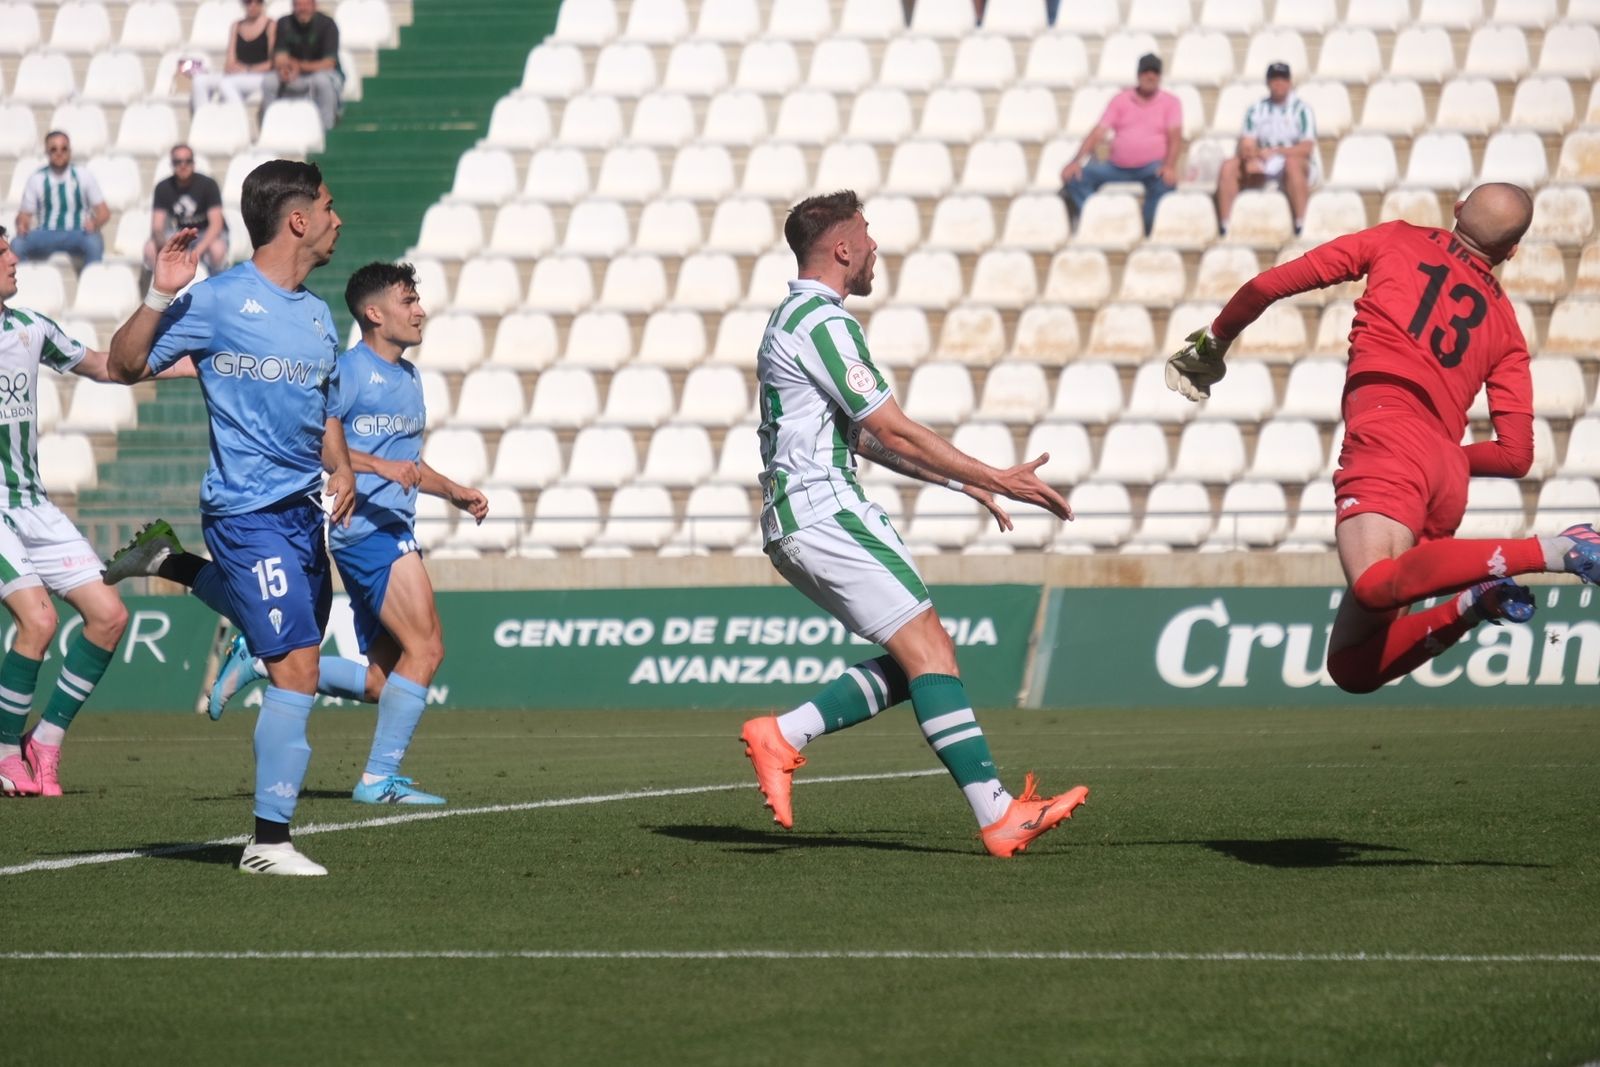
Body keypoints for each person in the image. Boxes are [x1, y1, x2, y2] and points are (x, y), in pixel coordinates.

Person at [739, 190, 1087, 859]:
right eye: (866, 236)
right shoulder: (823, 323)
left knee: (923, 658)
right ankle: (998, 814)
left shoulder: (794, 319)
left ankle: (783, 733)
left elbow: (868, 441)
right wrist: (997, 475)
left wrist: (962, 483)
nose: (875, 249)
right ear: (841, 247)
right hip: (826, 510)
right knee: (932, 653)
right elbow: (890, 425)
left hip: (799, 519)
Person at [1165, 183, 1600, 694]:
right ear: (1511, 251)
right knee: (1353, 668)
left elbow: (1266, 286)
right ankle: (1475, 602)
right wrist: (1446, 458)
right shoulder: (1507, 327)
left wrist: (1213, 342)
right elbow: (1515, 455)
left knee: (1373, 585)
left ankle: (1556, 549)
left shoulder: (1395, 239)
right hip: (1441, 472)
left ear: (1456, 209)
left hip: (1387, 432)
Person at [109, 262, 489, 807]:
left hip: (391, 526)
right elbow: (313, 440)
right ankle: (378, 779)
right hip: (365, 534)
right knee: (428, 648)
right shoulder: (351, 372)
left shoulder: (409, 378)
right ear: (375, 313)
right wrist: (373, 470)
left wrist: (452, 490)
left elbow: (404, 461)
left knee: (386, 680)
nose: (420, 309)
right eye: (409, 301)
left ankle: (263, 658)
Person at [106, 159, 355, 877]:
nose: (339, 219)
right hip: (246, 512)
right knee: (296, 670)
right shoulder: (216, 301)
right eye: (330, 207)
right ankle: (268, 843)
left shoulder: (314, 312)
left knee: (286, 644)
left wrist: (340, 467)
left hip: (302, 513)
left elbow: (325, 405)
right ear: (298, 219)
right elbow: (126, 366)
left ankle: (166, 563)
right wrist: (160, 291)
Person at [0, 227, 196, 798]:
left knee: (109, 616)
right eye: (1, 252)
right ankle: (7, 751)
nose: (14, 258)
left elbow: (110, 366)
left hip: (30, 503)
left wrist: (176, 359)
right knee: (38, 621)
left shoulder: (29, 328)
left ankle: (46, 743)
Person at [1059, 53, 1184, 236]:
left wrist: (1170, 166)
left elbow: (1175, 137)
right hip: (1116, 167)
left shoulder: (1171, 102)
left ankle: (1146, 229)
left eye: (1155, 72)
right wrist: (1076, 161)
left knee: (1165, 183)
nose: (1150, 76)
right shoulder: (1120, 100)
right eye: (1146, 72)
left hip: (1151, 168)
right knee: (1075, 178)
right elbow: (1098, 132)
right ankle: (1100, 221)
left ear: (1160, 76)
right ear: (1138, 75)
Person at [1216, 62, 1318, 237]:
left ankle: (1301, 224)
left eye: (1283, 79)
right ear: (1268, 82)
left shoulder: (1302, 110)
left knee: (1292, 164)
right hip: (1265, 161)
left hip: (1292, 160)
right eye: (1275, 79)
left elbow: (1306, 148)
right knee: (1229, 166)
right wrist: (1252, 156)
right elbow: (1247, 142)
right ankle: (1226, 226)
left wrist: (1279, 152)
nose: (1279, 83)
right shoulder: (1256, 109)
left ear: (1289, 82)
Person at [11, 132, 110, 267]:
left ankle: (91, 286)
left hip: (78, 232)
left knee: (94, 242)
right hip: (46, 233)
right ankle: (21, 285)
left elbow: (104, 212)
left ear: (70, 151)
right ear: (47, 151)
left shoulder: (83, 175)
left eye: (64, 149)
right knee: (17, 244)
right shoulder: (37, 178)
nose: (59, 153)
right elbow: (24, 215)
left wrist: (94, 223)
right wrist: (22, 224)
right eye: (54, 149)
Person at [143, 145, 228, 275]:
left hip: (204, 234)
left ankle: (218, 285)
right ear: (172, 164)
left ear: (193, 163)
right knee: (150, 248)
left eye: (188, 161)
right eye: (178, 162)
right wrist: (172, 250)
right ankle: (160, 286)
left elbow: (216, 225)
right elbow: (157, 228)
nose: (183, 165)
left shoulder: (208, 185)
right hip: (178, 234)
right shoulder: (163, 187)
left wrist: (196, 252)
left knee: (217, 249)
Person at [260, 0, 344, 132]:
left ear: (314, 5)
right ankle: (271, 128)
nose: (302, 8)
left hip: (323, 74)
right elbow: (279, 57)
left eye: (306, 4)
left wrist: (298, 66)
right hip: (295, 75)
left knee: (321, 81)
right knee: (269, 81)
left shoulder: (327, 25)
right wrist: (285, 69)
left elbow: (328, 63)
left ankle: (326, 129)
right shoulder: (284, 23)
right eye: (298, 5)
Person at [190, 0, 276, 111]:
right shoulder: (236, 26)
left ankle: (238, 121)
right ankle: (203, 119)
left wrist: (248, 69)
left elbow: (273, 63)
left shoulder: (271, 25)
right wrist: (232, 68)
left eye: (257, 2)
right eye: (248, 2)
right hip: (239, 74)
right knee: (199, 81)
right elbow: (229, 61)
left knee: (226, 84)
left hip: (260, 75)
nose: (252, 5)